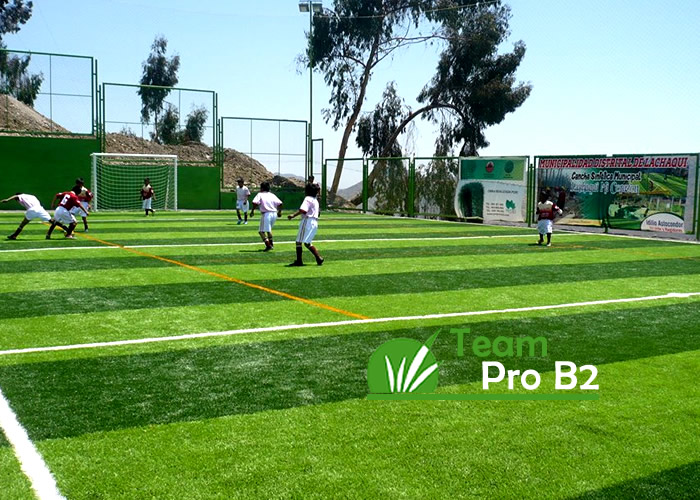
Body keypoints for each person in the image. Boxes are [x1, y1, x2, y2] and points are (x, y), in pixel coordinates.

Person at [1, 192, 68, 240]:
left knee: (23, 223)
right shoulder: (32, 196)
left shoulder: (21, 196)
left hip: (32, 209)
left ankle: (14, 235)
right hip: (40, 208)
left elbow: (16, 196)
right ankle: (66, 228)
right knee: (51, 220)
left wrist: (7, 200)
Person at [287, 183, 324, 266]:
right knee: (307, 242)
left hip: (307, 220)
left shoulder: (307, 198)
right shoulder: (315, 200)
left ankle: (299, 261)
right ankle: (318, 258)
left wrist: (293, 215)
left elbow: (303, 210)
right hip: (314, 222)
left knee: (299, 241)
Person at [250, 181, 282, 252]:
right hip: (274, 213)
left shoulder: (260, 194)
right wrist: (279, 212)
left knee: (261, 231)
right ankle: (271, 244)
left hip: (266, 214)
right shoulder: (272, 195)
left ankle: (268, 245)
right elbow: (280, 203)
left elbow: (255, 202)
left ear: (262, 188)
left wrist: (252, 211)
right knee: (268, 230)